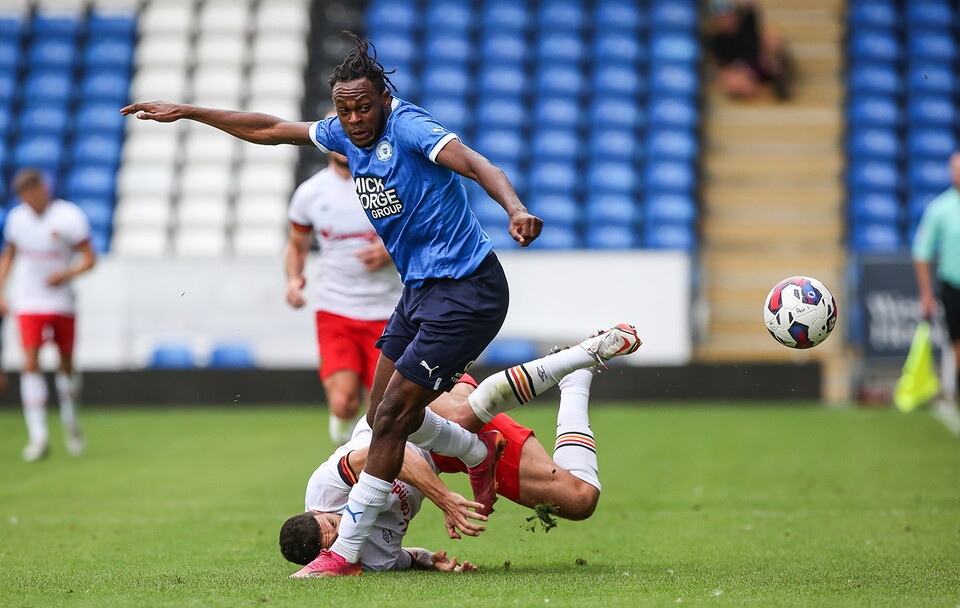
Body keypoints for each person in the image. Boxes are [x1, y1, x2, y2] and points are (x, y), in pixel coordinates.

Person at [122, 32, 639, 576]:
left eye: (363, 107)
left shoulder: (410, 126)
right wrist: (188, 112)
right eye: (344, 110)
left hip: (467, 289)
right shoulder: (344, 137)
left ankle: (344, 555)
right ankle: (478, 455)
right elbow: (271, 129)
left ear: (384, 100)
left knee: (392, 417)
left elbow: (475, 162)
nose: (354, 119)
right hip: (421, 294)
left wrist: (514, 208)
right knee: (379, 414)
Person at [280, 366, 605, 575]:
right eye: (337, 541)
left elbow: (391, 454)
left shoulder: (324, 488)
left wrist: (445, 499)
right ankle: (576, 378)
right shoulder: (366, 560)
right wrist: (432, 561)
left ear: (320, 510)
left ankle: (573, 357)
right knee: (579, 499)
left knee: (462, 415)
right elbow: (404, 556)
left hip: (418, 417)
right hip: (443, 458)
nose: (347, 531)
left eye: (336, 523)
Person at [286, 116, 403, 444]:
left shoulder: (386, 181)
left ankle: (365, 467)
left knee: (382, 406)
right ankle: (343, 454)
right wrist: (294, 279)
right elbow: (295, 246)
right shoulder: (310, 193)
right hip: (335, 308)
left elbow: (415, 232)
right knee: (343, 401)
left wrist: (388, 251)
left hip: (388, 310)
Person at [0, 169, 97, 461]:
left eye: (36, 194)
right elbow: (10, 254)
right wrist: (1, 288)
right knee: (31, 360)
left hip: (61, 300)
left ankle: (71, 422)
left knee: (65, 363)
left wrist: (66, 274)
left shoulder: (69, 217)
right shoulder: (17, 219)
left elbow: (90, 258)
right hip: (28, 300)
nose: (32, 201)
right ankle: (38, 436)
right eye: (27, 198)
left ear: (44, 190)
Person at [912, 152, 960, 406]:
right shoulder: (939, 209)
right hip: (954, 284)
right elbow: (922, 251)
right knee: (957, 341)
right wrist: (926, 293)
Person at [707, 0, 794, 100]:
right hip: (742, 74)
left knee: (772, 36)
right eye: (722, 18)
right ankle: (764, 92)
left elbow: (750, 4)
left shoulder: (747, 24)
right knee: (731, 81)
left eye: (729, 16)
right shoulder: (717, 40)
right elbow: (722, 67)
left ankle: (779, 78)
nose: (727, 20)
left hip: (761, 64)